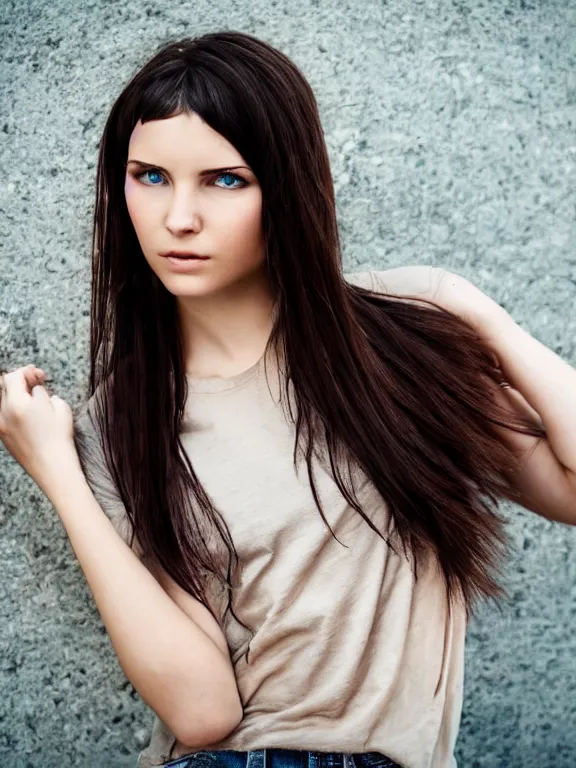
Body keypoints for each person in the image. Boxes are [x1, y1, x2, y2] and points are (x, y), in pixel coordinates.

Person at [0, 30, 575, 768]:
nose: (179, 217)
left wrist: (474, 313)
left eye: (225, 180)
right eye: (149, 176)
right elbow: (202, 711)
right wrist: (59, 477)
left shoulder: (400, 343)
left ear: (289, 187)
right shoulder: (123, 421)